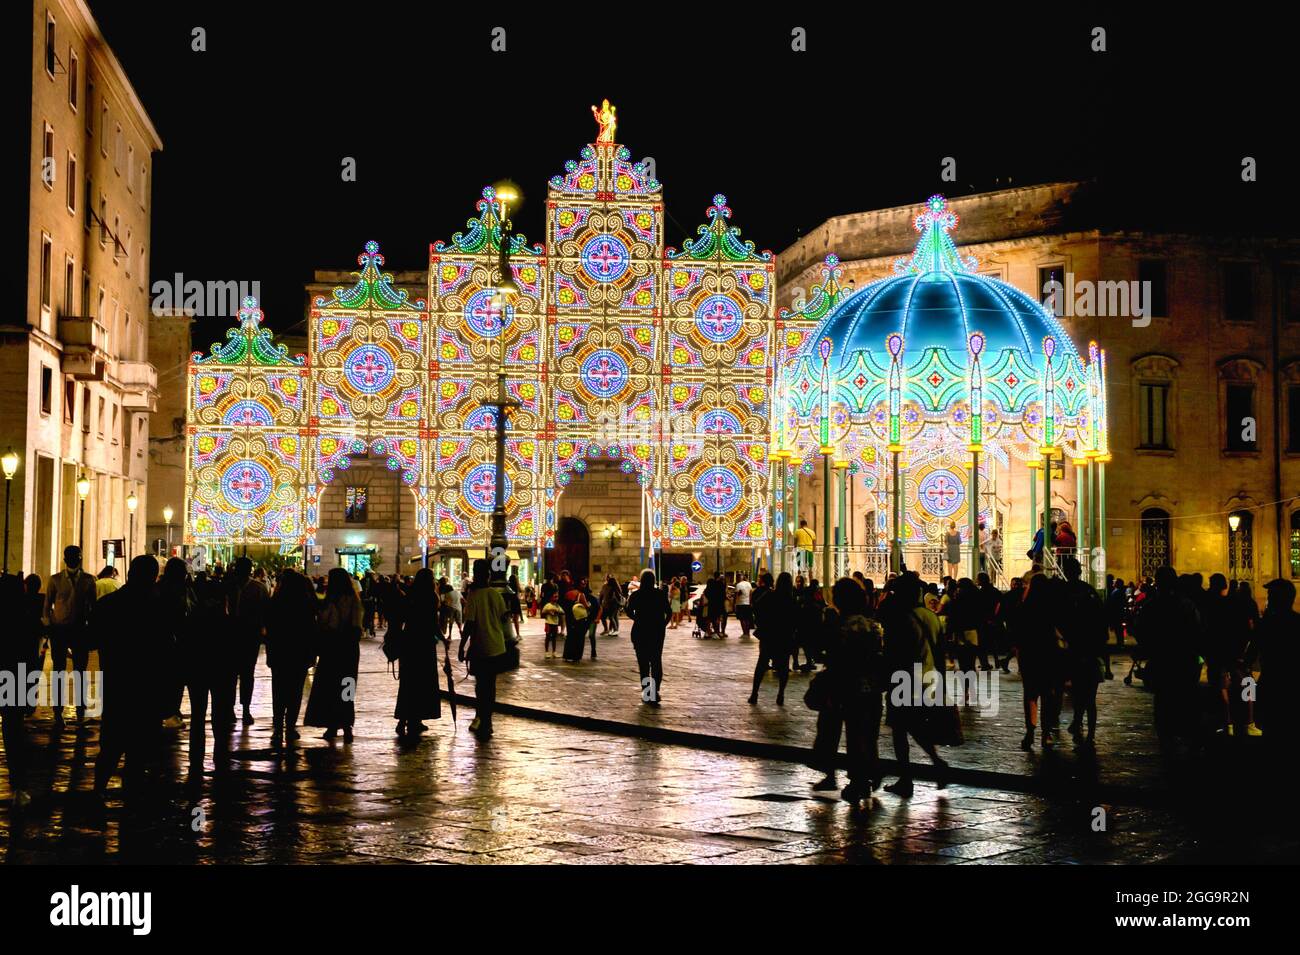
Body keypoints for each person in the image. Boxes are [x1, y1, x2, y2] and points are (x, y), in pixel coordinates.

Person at [93, 555, 165, 798]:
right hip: (148, 688)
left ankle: (98, 791)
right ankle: (133, 803)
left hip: (117, 685)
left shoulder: (108, 605)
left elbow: (91, 638)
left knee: (110, 746)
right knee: (139, 752)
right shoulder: (159, 608)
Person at [813, 578, 885, 806]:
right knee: (865, 734)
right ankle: (866, 774)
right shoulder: (872, 624)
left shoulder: (841, 625)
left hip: (845, 684)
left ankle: (850, 779)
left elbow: (831, 653)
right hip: (870, 686)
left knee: (836, 730)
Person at [880, 573, 947, 796]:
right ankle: (936, 761)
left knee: (901, 729)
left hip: (904, 678)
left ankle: (906, 778)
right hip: (928, 677)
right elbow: (939, 652)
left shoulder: (899, 618)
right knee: (915, 724)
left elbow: (892, 652)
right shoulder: (930, 616)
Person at [1130, 565, 1202, 749]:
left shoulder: (1152, 605)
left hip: (1162, 661)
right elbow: (1198, 631)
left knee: (1162, 702)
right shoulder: (1186, 604)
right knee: (1185, 699)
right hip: (1185, 660)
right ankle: (1185, 736)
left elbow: (1140, 631)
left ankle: (1167, 739)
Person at [304, 568, 363, 742]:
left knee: (334, 687)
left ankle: (339, 725)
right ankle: (343, 725)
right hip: (346, 650)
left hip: (336, 648)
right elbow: (356, 626)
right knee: (345, 687)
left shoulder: (334, 600)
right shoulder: (352, 600)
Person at [44, 545, 98, 727]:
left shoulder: (89, 580)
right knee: (59, 671)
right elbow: (47, 606)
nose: (73, 560)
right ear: (66, 560)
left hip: (79, 630)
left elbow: (93, 607)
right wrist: (49, 625)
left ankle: (80, 709)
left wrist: (92, 629)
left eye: (76, 557)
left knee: (80, 672)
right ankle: (58, 711)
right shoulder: (55, 580)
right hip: (59, 630)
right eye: (71, 557)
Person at [266, 569, 318, 748]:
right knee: (295, 691)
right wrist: (312, 653)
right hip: (299, 652)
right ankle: (290, 726)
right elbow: (312, 629)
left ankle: (278, 727)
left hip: (280, 652)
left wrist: (270, 652)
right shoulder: (306, 602)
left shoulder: (276, 601)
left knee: (278, 690)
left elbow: (270, 629)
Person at [459, 558, 510, 738]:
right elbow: (505, 618)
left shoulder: (474, 595)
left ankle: (481, 717)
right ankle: (487, 720)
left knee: (481, 686)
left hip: (480, 646)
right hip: (496, 646)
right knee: (490, 686)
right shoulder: (495, 594)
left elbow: (470, 624)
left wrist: (461, 645)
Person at [1060, 557, 1106, 743]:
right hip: (1090, 649)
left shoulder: (1064, 592)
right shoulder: (1089, 591)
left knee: (1078, 692)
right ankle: (1089, 731)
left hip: (1074, 649)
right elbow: (1101, 623)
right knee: (1089, 696)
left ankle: (1078, 722)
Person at [394, 568, 443, 738]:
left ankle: (403, 719)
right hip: (424, 643)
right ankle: (416, 719)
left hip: (409, 642)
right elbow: (433, 623)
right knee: (422, 682)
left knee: (408, 681)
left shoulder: (409, 596)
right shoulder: (431, 597)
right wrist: (443, 638)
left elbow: (400, 618)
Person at [0, 574, 33, 807]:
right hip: (13, 680)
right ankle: (18, 785)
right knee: (13, 733)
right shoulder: (24, 620)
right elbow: (30, 660)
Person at [227, 557, 268, 727]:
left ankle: (242, 709)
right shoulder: (230, 586)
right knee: (239, 675)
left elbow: (265, 612)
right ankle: (237, 710)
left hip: (245, 636)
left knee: (240, 675)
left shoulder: (257, 588)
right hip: (236, 636)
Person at [157, 557, 194, 730]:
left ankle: (166, 712)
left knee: (166, 680)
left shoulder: (158, 588)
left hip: (166, 642)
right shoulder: (179, 591)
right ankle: (170, 712)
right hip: (175, 643)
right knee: (175, 680)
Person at [625, 569, 671, 705]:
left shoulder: (636, 595)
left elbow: (628, 610)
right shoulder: (660, 595)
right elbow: (669, 612)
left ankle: (647, 693)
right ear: (653, 581)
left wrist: (636, 618)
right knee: (656, 661)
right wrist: (663, 624)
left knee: (644, 664)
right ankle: (655, 691)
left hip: (640, 632)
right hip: (656, 632)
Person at [749, 572, 796, 706]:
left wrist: (762, 623)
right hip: (785, 636)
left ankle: (754, 693)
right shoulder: (791, 600)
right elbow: (795, 619)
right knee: (783, 666)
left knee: (762, 664)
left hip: (769, 634)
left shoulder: (770, 595)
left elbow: (756, 608)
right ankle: (781, 693)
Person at [541, 592, 564, 658]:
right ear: (551, 598)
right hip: (548, 623)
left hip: (555, 624)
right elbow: (543, 612)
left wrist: (557, 610)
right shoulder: (548, 605)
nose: (556, 598)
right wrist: (548, 611)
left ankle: (554, 652)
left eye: (557, 597)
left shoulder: (557, 606)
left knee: (554, 638)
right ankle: (546, 652)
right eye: (555, 597)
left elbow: (562, 612)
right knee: (548, 637)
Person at [705, 573, 726, 637]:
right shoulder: (721, 584)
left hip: (711, 603)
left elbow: (706, 593)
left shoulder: (711, 583)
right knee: (717, 618)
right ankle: (717, 632)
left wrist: (710, 599)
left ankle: (708, 631)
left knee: (709, 617)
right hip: (719, 603)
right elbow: (723, 595)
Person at [734, 574, 753, 638]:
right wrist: (750, 603)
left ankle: (744, 633)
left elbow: (736, 596)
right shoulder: (749, 584)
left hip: (740, 604)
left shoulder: (738, 585)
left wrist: (735, 605)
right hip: (748, 604)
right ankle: (748, 633)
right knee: (747, 619)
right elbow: (751, 594)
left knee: (742, 619)